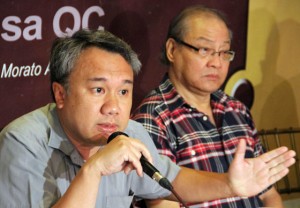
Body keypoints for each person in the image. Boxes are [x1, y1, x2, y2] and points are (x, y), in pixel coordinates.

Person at [0, 29, 295, 208]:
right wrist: (93, 170)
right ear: (60, 95)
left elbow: (174, 180)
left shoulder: (131, 134)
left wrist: (230, 185)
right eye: (99, 89)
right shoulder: (21, 142)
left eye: (124, 91)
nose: (113, 107)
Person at [132, 5, 286, 208]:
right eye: (205, 50)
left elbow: (268, 195)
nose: (217, 62)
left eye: (224, 52)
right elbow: (160, 203)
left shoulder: (237, 110)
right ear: (172, 49)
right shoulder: (153, 117)